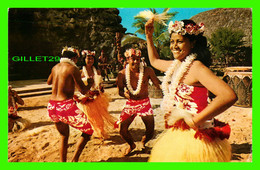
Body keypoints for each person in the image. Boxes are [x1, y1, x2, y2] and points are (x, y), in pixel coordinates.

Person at [145, 18, 238, 162]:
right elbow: (155, 61)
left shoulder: (196, 67)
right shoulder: (176, 65)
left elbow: (228, 95)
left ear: (192, 43)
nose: (174, 46)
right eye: (172, 41)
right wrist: (149, 37)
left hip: (196, 137)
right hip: (178, 133)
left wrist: (196, 120)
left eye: (179, 41)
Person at [47, 46, 94, 162]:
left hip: (52, 106)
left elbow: (49, 82)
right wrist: (89, 83)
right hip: (65, 106)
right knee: (88, 131)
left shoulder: (55, 67)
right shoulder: (73, 69)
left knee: (63, 136)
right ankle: (74, 160)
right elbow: (83, 91)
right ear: (74, 58)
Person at [115, 48, 161, 156]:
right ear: (127, 59)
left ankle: (143, 143)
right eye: (133, 59)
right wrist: (124, 94)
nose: (136, 61)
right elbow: (120, 91)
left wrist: (167, 86)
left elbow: (157, 83)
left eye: (138, 59)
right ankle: (132, 145)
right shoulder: (122, 74)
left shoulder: (147, 70)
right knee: (122, 130)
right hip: (131, 103)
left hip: (144, 102)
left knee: (150, 129)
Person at [74, 50, 116, 140]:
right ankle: (88, 133)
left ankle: (99, 133)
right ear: (84, 59)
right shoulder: (80, 71)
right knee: (89, 118)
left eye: (92, 58)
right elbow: (77, 86)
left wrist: (100, 89)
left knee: (99, 118)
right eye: (88, 58)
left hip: (96, 97)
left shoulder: (97, 70)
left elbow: (100, 84)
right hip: (85, 98)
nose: (90, 60)